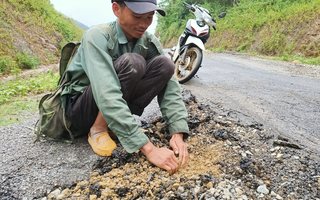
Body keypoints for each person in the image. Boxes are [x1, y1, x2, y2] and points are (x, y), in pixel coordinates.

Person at [60, 0, 190, 174]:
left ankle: (115, 126)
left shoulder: (147, 41)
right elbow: (106, 90)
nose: (144, 24)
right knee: (133, 62)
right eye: (137, 16)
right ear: (116, 9)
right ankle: (97, 130)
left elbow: (170, 86)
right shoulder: (97, 36)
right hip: (80, 110)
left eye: (149, 17)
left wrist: (178, 132)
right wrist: (149, 149)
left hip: (109, 108)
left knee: (166, 64)